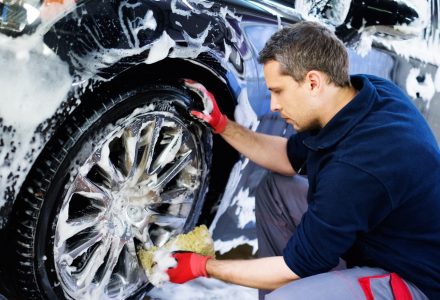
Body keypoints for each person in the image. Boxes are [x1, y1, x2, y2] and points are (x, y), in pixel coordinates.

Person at [166, 21, 440, 299]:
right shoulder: (368, 95)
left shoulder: (356, 167)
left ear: (312, 82)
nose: (273, 105)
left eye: (278, 91)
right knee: (276, 189)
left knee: (286, 296)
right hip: (379, 244)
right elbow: (286, 157)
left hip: (413, 283)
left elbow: (293, 267)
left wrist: (203, 266)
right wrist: (222, 125)